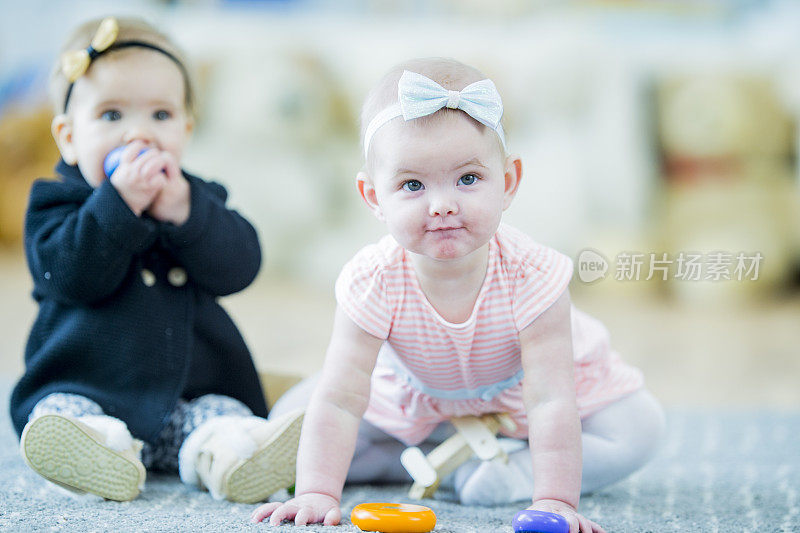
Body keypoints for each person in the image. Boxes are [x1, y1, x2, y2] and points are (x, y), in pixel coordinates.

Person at [252, 57, 666, 532]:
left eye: (468, 179)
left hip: (519, 406)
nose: (443, 203)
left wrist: (554, 500)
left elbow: (551, 398)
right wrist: (317, 492)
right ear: (373, 198)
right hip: (416, 399)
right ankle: (427, 455)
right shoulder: (373, 280)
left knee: (640, 426)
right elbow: (343, 399)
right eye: (412, 185)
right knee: (295, 417)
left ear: (507, 182)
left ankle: (502, 472)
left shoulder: (533, 277)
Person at [9, 16, 303, 504]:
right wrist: (117, 207)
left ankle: (231, 459)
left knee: (220, 416)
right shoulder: (55, 207)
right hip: (85, 386)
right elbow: (71, 277)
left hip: (181, 399)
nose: (138, 134)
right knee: (59, 416)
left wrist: (188, 214)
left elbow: (241, 267)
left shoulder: (194, 200)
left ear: (186, 129)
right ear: (67, 136)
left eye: (161, 116)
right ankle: (100, 458)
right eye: (111, 115)